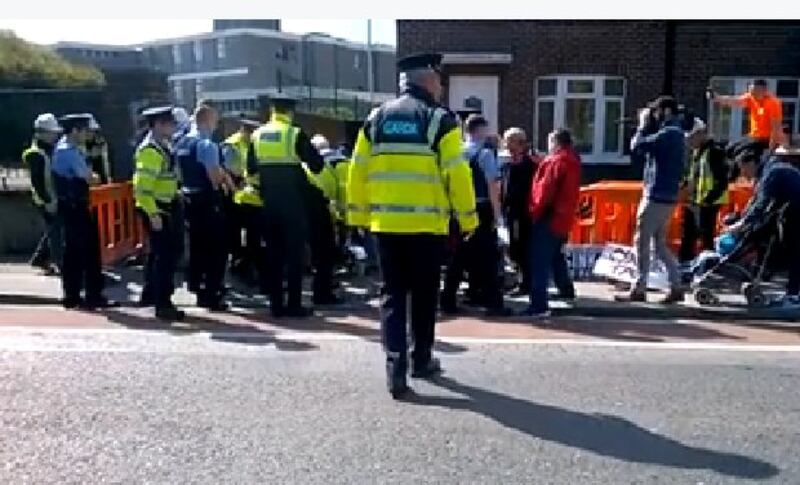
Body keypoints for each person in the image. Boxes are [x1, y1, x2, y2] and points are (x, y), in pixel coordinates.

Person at [347, 53, 477, 398]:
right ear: (426, 80)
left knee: (392, 296)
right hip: (426, 226)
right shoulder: (438, 120)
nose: (442, 84)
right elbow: (457, 173)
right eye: (439, 78)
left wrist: (357, 218)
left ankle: (395, 371)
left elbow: (356, 169)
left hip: (385, 225)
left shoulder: (376, 118)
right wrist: (467, 218)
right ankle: (421, 359)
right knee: (423, 296)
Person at [248, 94, 325, 318]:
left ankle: (276, 305)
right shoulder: (294, 133)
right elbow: (317, 166)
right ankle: (294, 303)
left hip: (269, 204)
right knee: (294, 255)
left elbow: (251, 170)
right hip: (293, 204)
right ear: (290, 112)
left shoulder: (258, 134)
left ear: (272, 111)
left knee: (273, 254)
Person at [616, 96, 687, 304]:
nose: (654, 116)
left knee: (642, 241)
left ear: (665, 112)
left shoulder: (667, 134)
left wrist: (641, 125)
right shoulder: (677, 134)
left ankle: (639, 287)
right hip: (668, 195)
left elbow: (636, 146)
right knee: (659, 244)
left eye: (657, 112)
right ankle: (676, 285)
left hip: (656, 195)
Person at [441, 114, 510, 316]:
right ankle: (493, 302)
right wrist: (498, 216)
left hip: (458, 210)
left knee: (458, 257)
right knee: (488, 256)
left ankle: (448, 300)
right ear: (480, 130)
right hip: (481, 209)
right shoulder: (485, 154)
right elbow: (493, 186)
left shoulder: (457, 152)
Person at [51, 113, 116, 310]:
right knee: (88, 251)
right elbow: (89, 178)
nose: (88, 134)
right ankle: (92, 295)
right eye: (85, 130)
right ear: (75, 130)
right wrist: (93, 174)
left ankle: (73, 295)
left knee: (74, 252)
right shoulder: (69, 151)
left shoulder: (65, 148)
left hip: (72, 206)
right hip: (75, 207)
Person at [176, 104, 234, 311]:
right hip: (208, 200)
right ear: (207, 120)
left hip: (188, 198)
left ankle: (196, 286)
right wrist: (226, 180)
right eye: (215, 121)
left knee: (196, 246)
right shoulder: (206, 145)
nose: (216, 125)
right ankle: (212, 292)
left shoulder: (181, 143)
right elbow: (214, 177)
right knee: (216, 249)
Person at [725, 147, 800, 305]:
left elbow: (762, 203)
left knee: (795, 252)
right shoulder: (771, 170)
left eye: (743, 169)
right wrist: (742, 218)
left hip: (796, 212)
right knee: (792, 251)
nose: (743, 174)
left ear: (751, 163)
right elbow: (757, 202)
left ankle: (794, 294)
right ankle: (792, 292)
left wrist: (743, 223)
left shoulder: (772, 173)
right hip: (792, 212)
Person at [133, 106, 184, 321]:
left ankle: (151, 294)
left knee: (158, 254)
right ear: (159, 125)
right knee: (166, 257)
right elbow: (142, 188)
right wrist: (153, 214)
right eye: (170, 123)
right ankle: (163, 303)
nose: (174, 127)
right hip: (158, 208)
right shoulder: (151, 151)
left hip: (165, 205)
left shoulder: (162, 146)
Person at [525, 129, 581, 318]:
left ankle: (539, 304)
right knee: (556, 255)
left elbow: (545, 191)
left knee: (539, 261)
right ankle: (566, 289)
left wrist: (534, 211)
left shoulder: (554, 162)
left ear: (555, 143)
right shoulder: (572, 160)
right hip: (563, 217)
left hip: (549, 216)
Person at [679, 118, 730, 263]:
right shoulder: (698, 152)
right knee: (688, 233)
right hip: (696, 201)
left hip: (709, 202)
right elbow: (694, 176)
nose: (689, 142)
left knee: (705, 236)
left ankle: (708, 266)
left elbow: (721, 181)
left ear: (701, 134)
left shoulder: (714, 152)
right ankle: (685, 262)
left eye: (691, 137)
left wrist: (706, 201)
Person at [501, 127, 540, 295]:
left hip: (522, 212)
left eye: (509, 141)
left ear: (520, 143)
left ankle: (526, 283)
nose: (506, 145)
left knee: (521, 247)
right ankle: (522, 280)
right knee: (514, 247)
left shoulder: (528, 165)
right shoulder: (508, 164)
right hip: (511, 212)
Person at [24, 113, 64, 275]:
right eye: (51, 133)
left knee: (53, 229)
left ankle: (40, 259)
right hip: (45, 199)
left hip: (53, 196)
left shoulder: (49, 150)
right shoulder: (36, 154)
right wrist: (48, 201)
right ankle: (60, 264)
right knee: (56, 232)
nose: (55, 135)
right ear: (41, 133)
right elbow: (37, 181)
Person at [223, 116, 261, 277]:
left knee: (252, 233)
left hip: (248, 194)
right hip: (234, 194)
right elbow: (228, 171)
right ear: (244, 130)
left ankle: (247, 264)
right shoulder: (232, 145)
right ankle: (237, 264)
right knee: (235, 232)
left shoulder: (252, 144)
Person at [305, 140, 343, 305]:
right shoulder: (331, 167)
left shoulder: (304, 167)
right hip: (322, 214)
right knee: (324, 256)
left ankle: (321, 290)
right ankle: (323, 293)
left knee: (315, 256)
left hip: (305, 215)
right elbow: (337, 192)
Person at [709, 79, 785, 157]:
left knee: (740, 152)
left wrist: (771, 148)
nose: (752, 93)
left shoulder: (773, 103)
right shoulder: (751, 98)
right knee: (730, 149)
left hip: (766, 139)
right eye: (751, 91)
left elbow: (776, 127)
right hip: (754, 137)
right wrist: (716, 97)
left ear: (762, 90)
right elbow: (735, 101)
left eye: (754, 91)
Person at [84, 116, 111, 184]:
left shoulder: (100, 142)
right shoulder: (79, 143)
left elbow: (105, 161)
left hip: (101, 177)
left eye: (93, 131)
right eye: (88, 131)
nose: (90, 134)